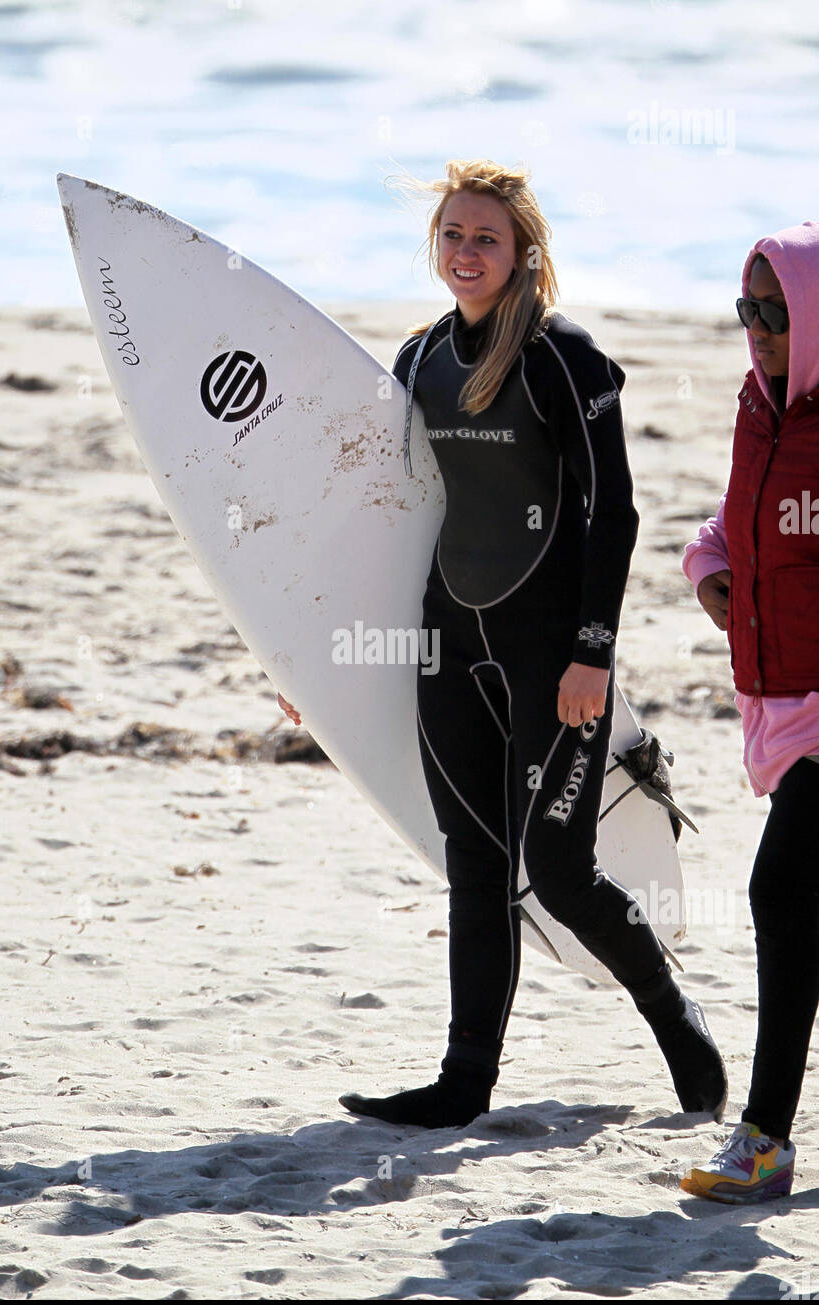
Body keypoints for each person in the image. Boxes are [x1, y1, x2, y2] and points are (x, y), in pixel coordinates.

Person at [280, 158, 727, 1130]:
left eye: (484, 237)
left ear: (522, 251)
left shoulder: (563, 360)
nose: (465, 252)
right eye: (451, 235)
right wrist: (311, 660)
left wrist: (590, 656)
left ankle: (673, 1017)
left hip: (548, 651)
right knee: (472, 863)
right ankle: (462, 1082)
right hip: (450, 638)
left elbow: (611, 514)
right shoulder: (417, 361)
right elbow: (385, 517)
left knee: (558, 868)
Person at [680, 222, 819, 1202]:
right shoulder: (755, 407)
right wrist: (709, 568)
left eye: (776, 313)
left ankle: (763, 1139)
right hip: (777, 697)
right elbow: (727, 522)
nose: (758, 330)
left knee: (778, 890)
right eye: (747, 310)